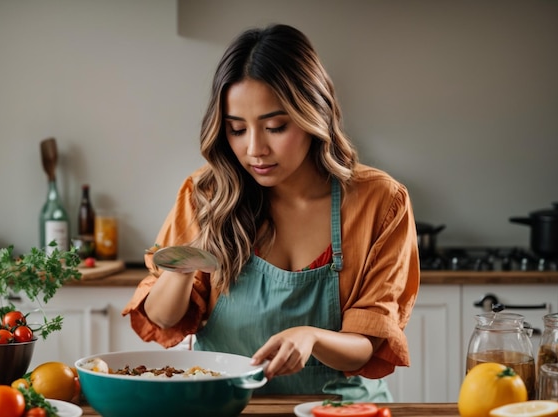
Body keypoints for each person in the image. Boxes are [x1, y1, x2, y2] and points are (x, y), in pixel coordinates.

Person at [123, 23, 420, 401]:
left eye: (275, 126)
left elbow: (369, 341)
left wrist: (310, 337)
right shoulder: (207, 194)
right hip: (228, 407)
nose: (254, 149)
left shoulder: (380, 201)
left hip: (339, 409)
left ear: (315, 113)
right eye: (236, 129)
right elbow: (163, 318)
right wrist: (185, 261)